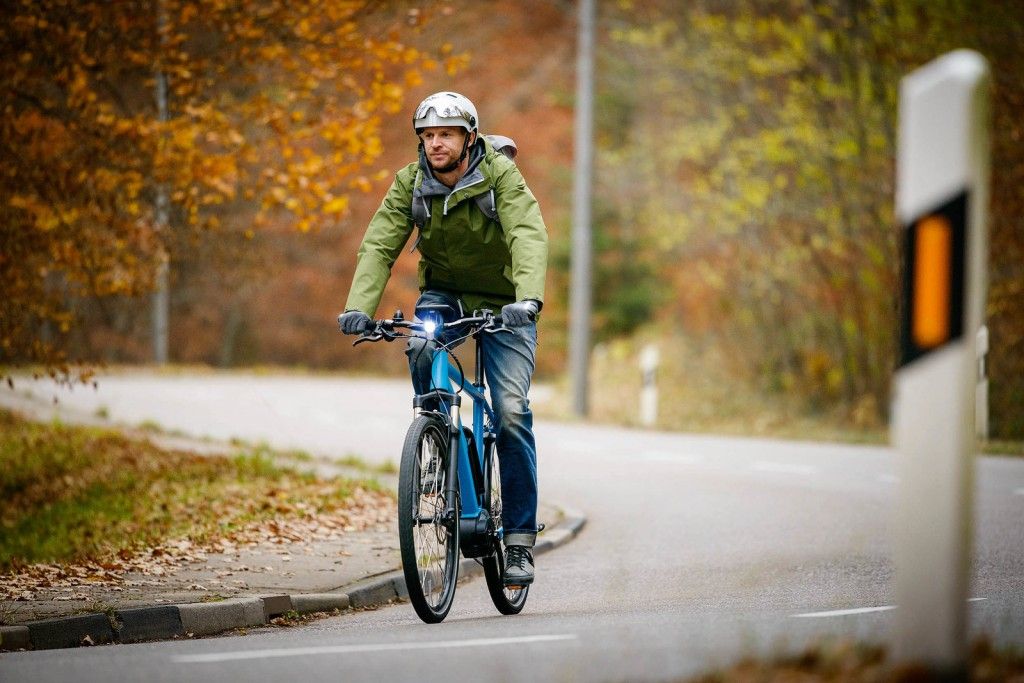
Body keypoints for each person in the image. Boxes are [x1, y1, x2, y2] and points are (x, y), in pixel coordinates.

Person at [338, 91, 548, 588]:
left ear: (469, 138)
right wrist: (358, 309)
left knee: (512, 410)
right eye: (428, 135)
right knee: (421, 344)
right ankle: (435, 438)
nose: (436, 144)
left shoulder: (500, 177)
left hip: (506, 303)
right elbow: (380, 242)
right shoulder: (411, 183)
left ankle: (518, 541)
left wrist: (529, 299)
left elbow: (528, 234)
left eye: (446, 134)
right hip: (445, 294)